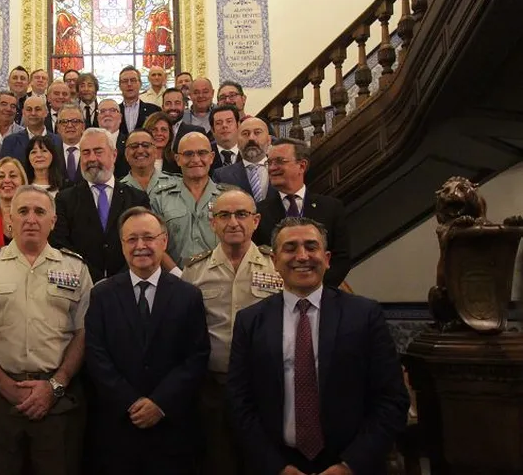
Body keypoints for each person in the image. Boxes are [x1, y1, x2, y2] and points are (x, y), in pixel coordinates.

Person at [227, 217, 409, 475]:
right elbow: (239, 402)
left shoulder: (364, 315)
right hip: (277, 464)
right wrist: (276, 466)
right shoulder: (250, 321)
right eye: (290, 248)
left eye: (311, 247)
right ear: (275, 261)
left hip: (350, 464)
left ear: (327, 258)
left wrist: (350, 465)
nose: (302, 256)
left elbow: (391, 399)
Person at [0, 185, 93, 475]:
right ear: (9, 219)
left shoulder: (75, 268)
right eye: (23, 211)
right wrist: (5, 385)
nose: (31, 219)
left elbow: (85, 333)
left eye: (40, 212)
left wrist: (55, 386)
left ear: (53, 221)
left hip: (56, 401)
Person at [85, 206, 209, 475]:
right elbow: (96, 356)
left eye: (148, 238)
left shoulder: (188, 295)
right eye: (132, 239)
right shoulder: (102, 294)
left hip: (173, 428)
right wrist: (130, 402)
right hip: (118, 429)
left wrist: (160, 403)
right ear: (122, 245)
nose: (140, 246)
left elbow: (196, 356)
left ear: (164, 241)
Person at [181, 189, 282, 474]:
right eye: (224, 215)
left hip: (265, 387)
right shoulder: (194, 271)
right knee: (218, 463)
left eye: (241, 214)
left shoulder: (277, 266)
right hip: (213, 388)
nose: (233, 222)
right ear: (212, 223)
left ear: (256, 221)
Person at [51, 127, 149, 284]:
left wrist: (118, 281)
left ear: (114, 155)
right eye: (86, 153)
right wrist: (93, 279)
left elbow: (144, 242)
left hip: (127, 285)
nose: (91, 158)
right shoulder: (65, 200)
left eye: (98, 152)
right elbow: (60, 244)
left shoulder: (137, 198)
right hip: (81, 284)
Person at [253, 138, 351, 287]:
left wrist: (316, 289)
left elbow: (341, 258)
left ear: (302, 166)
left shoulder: (331, 207)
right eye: (269, 162)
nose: (272, 168)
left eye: (279, 161)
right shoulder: (258, 211)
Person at [151, 132, 224, 271]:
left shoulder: (227, 198)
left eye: (202, 153)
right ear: (177, 159)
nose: (195, 159)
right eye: (188, 154)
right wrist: (177, 275)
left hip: (219, 276)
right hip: (174, 278)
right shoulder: (159, 198)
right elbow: (154, 241)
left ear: (211, 157)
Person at [212, 116, 277, 202]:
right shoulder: (222, 175)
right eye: (245, 134)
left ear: (269, 140)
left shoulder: (282, 170)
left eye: (257, 132)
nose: (251, 138)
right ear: (237, 142)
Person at [0, 95, 64, 165]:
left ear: (46, 112)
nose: (33, 113)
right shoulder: (10, 142)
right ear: (23, 113)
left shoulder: (58, 141)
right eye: (29, 109)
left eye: (38, 109)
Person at [119, 128, 177, 196]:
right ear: (126, 154)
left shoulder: (176, 184)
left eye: (146, 145)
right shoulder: (116, 190)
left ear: (155, 151)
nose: (140, 151)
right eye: (134, 146)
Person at [118, 66, 160, 135]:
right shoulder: (115, 112)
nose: (129, 84)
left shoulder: (154, 111)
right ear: (119, 86)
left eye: (133, 80)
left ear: (140, 84)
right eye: (125, 81)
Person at [162, 88, 205, 153]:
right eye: (168, 104)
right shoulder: (154, 132)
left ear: (184, 106)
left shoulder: (196, 132)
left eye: (177, 103)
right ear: (162, 107)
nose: (173, 107)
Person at [97, 98, 129, 178]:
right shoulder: (89, 142)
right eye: (102, 111)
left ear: (120, 117)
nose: (107, 114)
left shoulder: (130, 141)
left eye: (112, 110)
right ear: (98, 118)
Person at [57, 103, 86, 184]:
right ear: (58, 128)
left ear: (83, 127)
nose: (69, 125)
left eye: (75, 121)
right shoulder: (51, 152)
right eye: (64, 122)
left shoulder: (92, 152)